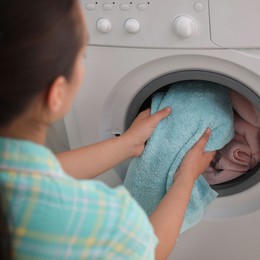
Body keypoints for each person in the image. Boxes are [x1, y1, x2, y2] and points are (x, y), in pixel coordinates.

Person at [0, 1, 215, 259]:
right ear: (55, 94)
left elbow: (41, 172)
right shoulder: (99, 216)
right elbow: (153, 248)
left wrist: (128, 143)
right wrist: (186, 177)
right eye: (81, 56)